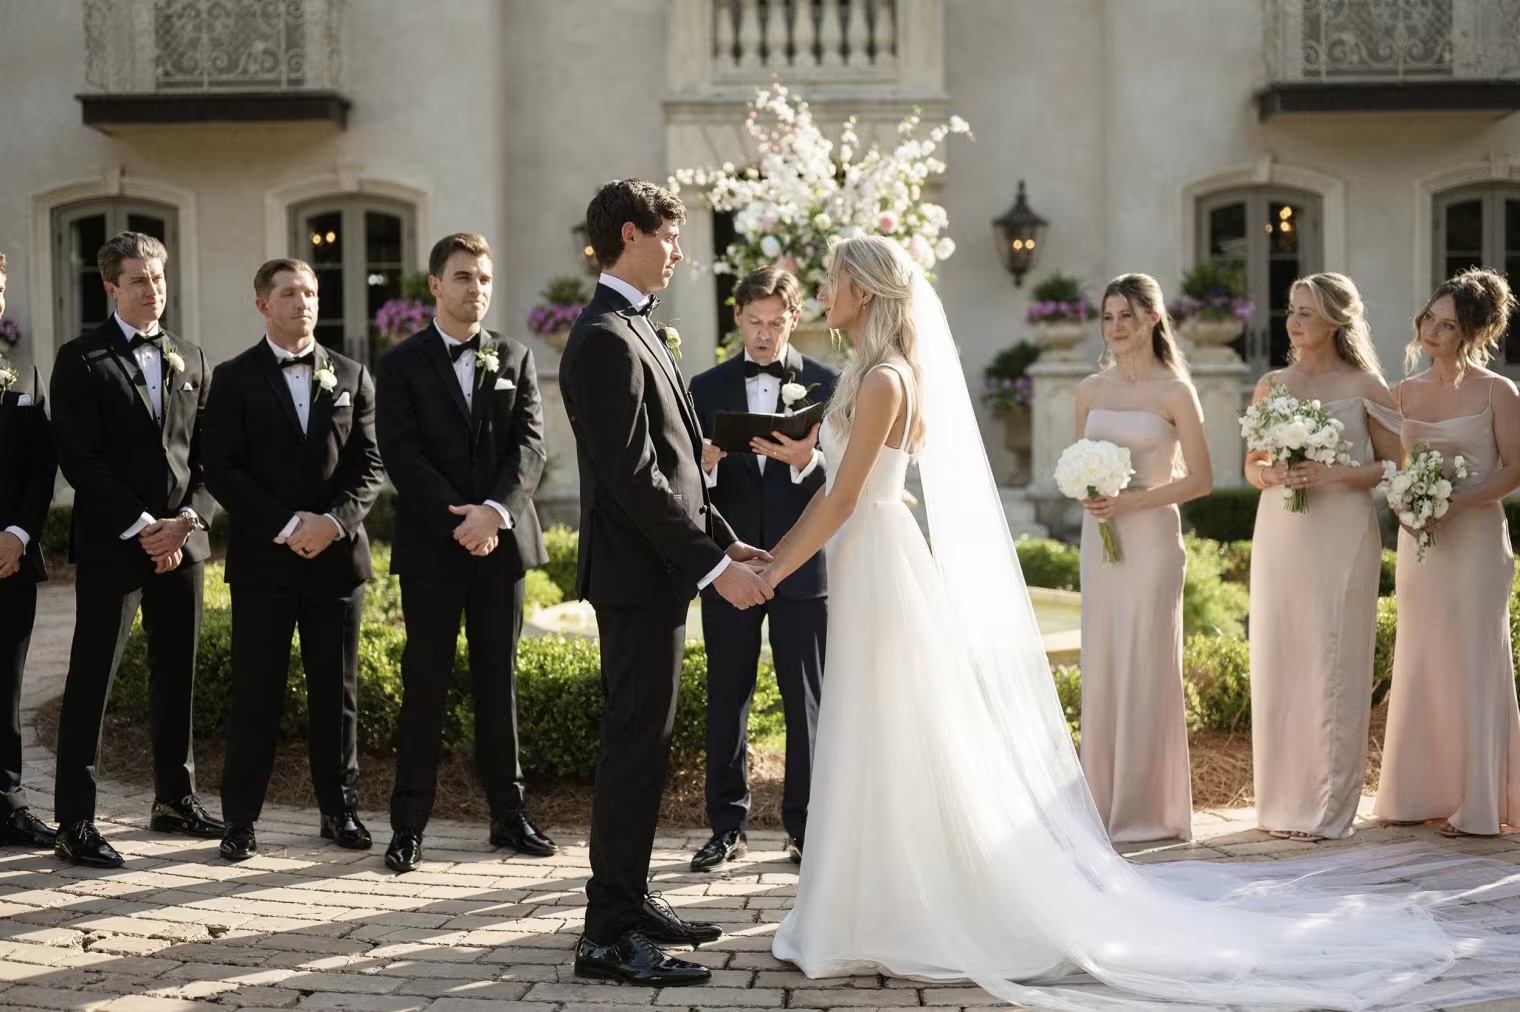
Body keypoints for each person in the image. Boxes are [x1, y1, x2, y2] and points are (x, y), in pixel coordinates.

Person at [759, 234, 1520, 1011]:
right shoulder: (876, 373)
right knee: (872, 726)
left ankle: (890, 902)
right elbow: (856, 479)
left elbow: (851, 498)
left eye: (831, 280)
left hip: (887, 558)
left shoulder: (887, 377)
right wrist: (803, 474)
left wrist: (771, 568)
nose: (821, 292)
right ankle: (866, 894)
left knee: (880, 723)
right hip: (876, 559)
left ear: (867, 291)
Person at [559, 179, 774, 987]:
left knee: (644, 748)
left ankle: (630, 895)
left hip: (657, 572)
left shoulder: (635, 329)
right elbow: (633, 479)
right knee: (632, 750)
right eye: (670, 236)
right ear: (629, 235)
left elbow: (678, 471)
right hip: (635, 577)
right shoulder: (605, 338)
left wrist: (728, 540)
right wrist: (714, 570)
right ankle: (606, 938)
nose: (681, 251)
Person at [376, 233, 554, 872]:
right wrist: (460, 519)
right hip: (433, 546)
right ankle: (407, 826)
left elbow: (530, 447)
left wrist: (495, 514)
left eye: (483, 278)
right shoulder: (398, 366)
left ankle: (509, 818)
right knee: (424, 684)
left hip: (500, 547)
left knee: (496, 684)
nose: (474, 289)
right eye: (462, 278)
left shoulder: (515, 356)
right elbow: (402, 454)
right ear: (434, 285)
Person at [202, 258, 386, 861]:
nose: (302, 302)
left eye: (309, 292)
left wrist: (331, 524)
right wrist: (286, 525)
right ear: (263, 305)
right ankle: (241, 821)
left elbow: (371, 466)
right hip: (265, 561)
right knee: (257, 694)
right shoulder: (232, 378)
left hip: (334, 559)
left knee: (338, 695)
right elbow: (222, 468)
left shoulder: (352, 375)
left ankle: (341, 812)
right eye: (288, 294)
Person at [50, 232, 221, 868]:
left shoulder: (191, 356)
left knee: (177, 673)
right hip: (113, 545)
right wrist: (142, 524)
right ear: (111, 287)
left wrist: (185, 522)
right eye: (139, 280)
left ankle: (175, 800)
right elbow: (78, 457)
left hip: (180, 544)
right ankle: (75, 822)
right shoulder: (81, 359)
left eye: (159, 278)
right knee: (92, 677)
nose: (153, 290)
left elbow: (208, 458)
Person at [688, 265, 838, 869]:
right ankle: (727, 825)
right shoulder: (702, 386)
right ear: (738, 319)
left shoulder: (829, 383)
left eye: (776, 323)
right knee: (728, 694)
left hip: (802, 564)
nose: (764, 335)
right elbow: (687, 488)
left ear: (794, 319)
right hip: (728, 565)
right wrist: (707, 464)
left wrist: (808, 459)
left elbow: (848, 480)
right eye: (754, 322)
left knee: (806, 699)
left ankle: (807, 827)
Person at [1246, 273, 1399, 842]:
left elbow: (1390, 464)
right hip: (1283, 529)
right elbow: (1252, 466)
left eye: (1306, 312)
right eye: (1291, 309)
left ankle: (1328, 807)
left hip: (1343, 531)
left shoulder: (1366, 384)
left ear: (1335, 320)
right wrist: (1272, 473)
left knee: (1334, 657)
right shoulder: (1271, 385)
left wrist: (1335, 473)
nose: (1294, 321)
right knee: (1283, 656)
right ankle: (1282, 804)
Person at [1375, 267, 1520, 838]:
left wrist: (1459, 502)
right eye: (1427, 319)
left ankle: (1481, 801)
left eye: (1446, 325)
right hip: (1421, 547)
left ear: (1471, 333)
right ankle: (1419, 791)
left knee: (1477, 658)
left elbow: (1515, 469)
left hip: (1478, 540)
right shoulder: (1401, 393)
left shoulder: (1497, 392)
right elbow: (1391, 468)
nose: (1431, 332)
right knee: (1423, 654)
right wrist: (1405, 503)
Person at [1073, 273, 1211, 843]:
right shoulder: (1089, 390)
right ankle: (1101, 800)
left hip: (1153, 540)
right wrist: (1092, 494)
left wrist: (1136, 500)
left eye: (1126, 316)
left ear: (1154, 319)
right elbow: (1077, 464)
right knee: (1103, 661)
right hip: (1100, 542)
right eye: (1107, 317)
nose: (1116, 328)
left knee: (1146, 661)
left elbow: (1202, 480)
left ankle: (1148, 806)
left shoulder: (1176, 391)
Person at [0, 251, 59, 850]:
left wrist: (17, 534)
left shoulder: (25, 376)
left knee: (6, 687)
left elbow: (42, 468)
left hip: (8, 560)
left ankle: (8, 804)